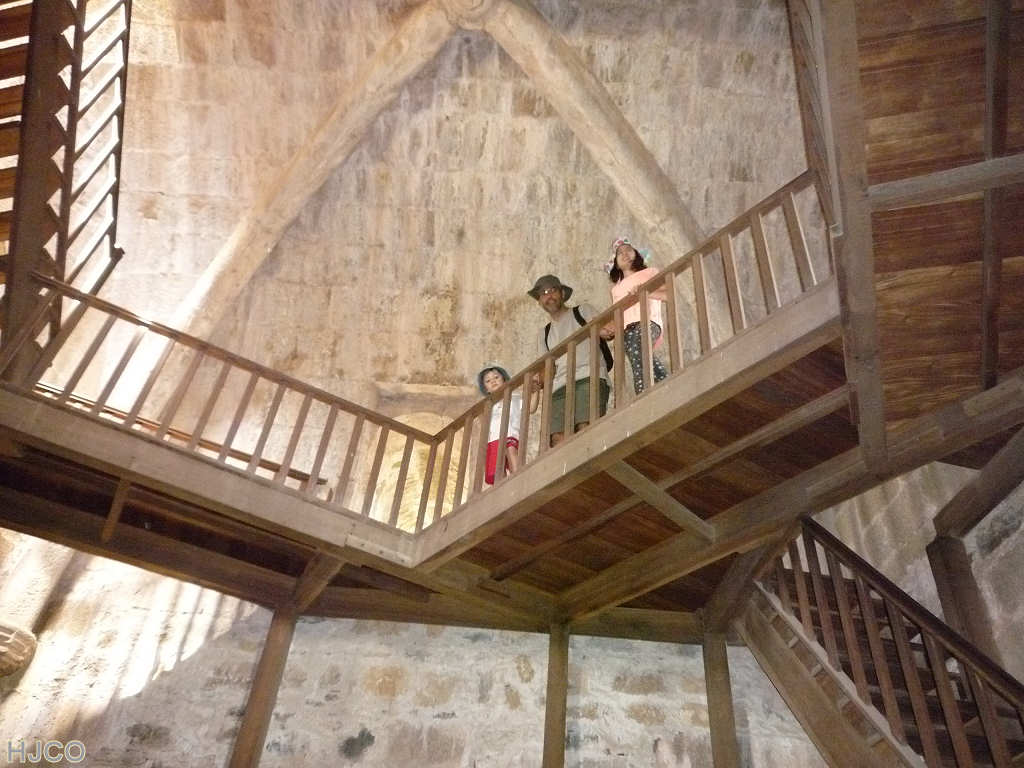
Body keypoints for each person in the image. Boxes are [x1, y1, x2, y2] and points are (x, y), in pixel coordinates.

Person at [528, 274, 610, 446]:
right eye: (543, 293)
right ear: (540, 301)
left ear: (563, 294)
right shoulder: (544, 334)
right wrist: (537, 382)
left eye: (552, 290)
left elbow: (606, 330)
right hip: (558, 387)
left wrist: (606, 329)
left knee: (586, 427)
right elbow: (547, 369)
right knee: (557, 439)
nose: (549, 296)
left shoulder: (582, 311)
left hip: (588, 376)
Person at [603, 236, 668, 394]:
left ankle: (645, 392)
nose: (624, 253)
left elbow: (668, 294)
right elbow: (618, 315)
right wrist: (607, 329)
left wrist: (644, 291)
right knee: (638, 359)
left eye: (628, 250)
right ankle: (662, 383)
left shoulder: (650, 272)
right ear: (615, 263)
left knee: (639, 350)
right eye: (620, 253)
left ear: (637, 254)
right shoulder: (615, 289)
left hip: (648, 321)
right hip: (626, 331)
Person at [477, 364, 530, 484]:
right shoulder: (488, 405)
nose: (493, 381)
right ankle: (503, 487)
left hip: (510, 433)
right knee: (498, 469)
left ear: (504, 380)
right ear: (486, 389)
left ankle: (518, 480)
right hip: (493, 438)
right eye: (488, 381)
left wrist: (535, 392)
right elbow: (485, 424)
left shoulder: (515, 397)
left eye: (496, 377)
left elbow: (530, 407)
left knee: (510, 450)